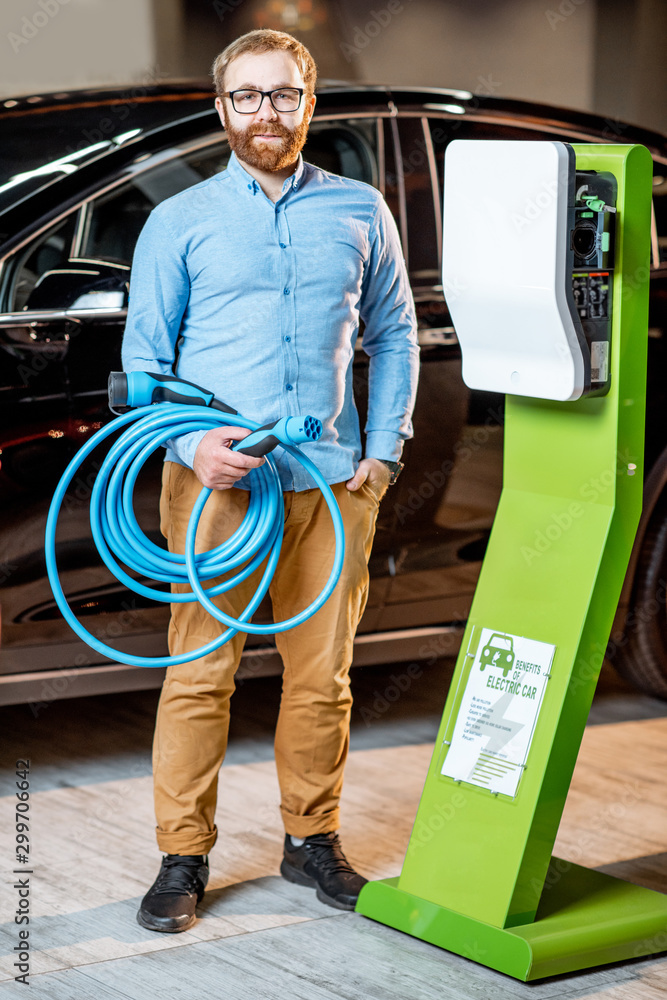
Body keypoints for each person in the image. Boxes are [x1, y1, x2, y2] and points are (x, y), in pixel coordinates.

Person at [122, 28, 419, 933]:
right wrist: (191, 449)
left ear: (309, 102)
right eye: (247, 96)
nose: (266, 113)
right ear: (221, 110)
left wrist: (383, 453)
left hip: (329, 486)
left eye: (283, 95)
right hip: (218, 488)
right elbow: (144, 367)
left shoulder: (361, 208)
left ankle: (311, 841)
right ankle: (182, 856)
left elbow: (394, 336)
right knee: (199, 676)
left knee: (321, 678)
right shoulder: (180, 221)